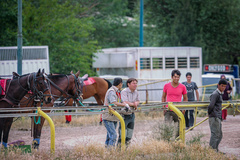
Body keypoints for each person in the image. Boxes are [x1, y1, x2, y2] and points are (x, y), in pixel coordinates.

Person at [102, 77, 130, 148]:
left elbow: (118, 101)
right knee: (113, 135)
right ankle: (111, 151)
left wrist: (124, 104)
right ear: (120, 83)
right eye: (122, 83)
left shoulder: (117, 91)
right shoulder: (112, 91)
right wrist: (124, 105)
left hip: (114, 117)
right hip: (108, 116)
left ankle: (107, 151)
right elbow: (113, 102)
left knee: (109, 135)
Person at [162, 69, 188, 138]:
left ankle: (177, 143)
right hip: (168, 110)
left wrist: (184, 109)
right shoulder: (166, 86)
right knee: (167, 128)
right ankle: (167, 142)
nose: (176, 78)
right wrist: (164, 107)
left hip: (178, 111)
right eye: (175, 77)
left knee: (179, 129)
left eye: (178, 77)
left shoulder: (182, 87)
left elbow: (185, 98)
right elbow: (163, 97)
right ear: (172, 77)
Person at [117, 78, 140, 146]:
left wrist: (136, 103)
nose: (135, 85)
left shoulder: (136, 92)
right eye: (133, 83)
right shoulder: (124, 91)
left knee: (129, 135)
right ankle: (119, 150)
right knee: (122, 134)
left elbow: (138, 100)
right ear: (128, 84)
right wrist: (134, 104)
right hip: (124, 114)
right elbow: (125, 102)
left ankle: (126, 150)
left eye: (136, 83)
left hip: (132, 114)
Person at [208, 79, 227, 152]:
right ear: (218, 85)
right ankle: (212, 151)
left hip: (217, 116)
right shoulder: (215, 94)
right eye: (222, 86)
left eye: (225, 87)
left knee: (219, 135)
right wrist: (211, 114)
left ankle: (215, 150)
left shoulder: (219, 94)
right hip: (214, 117)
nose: (223, 88)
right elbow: (211, 106)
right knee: (215, 135)